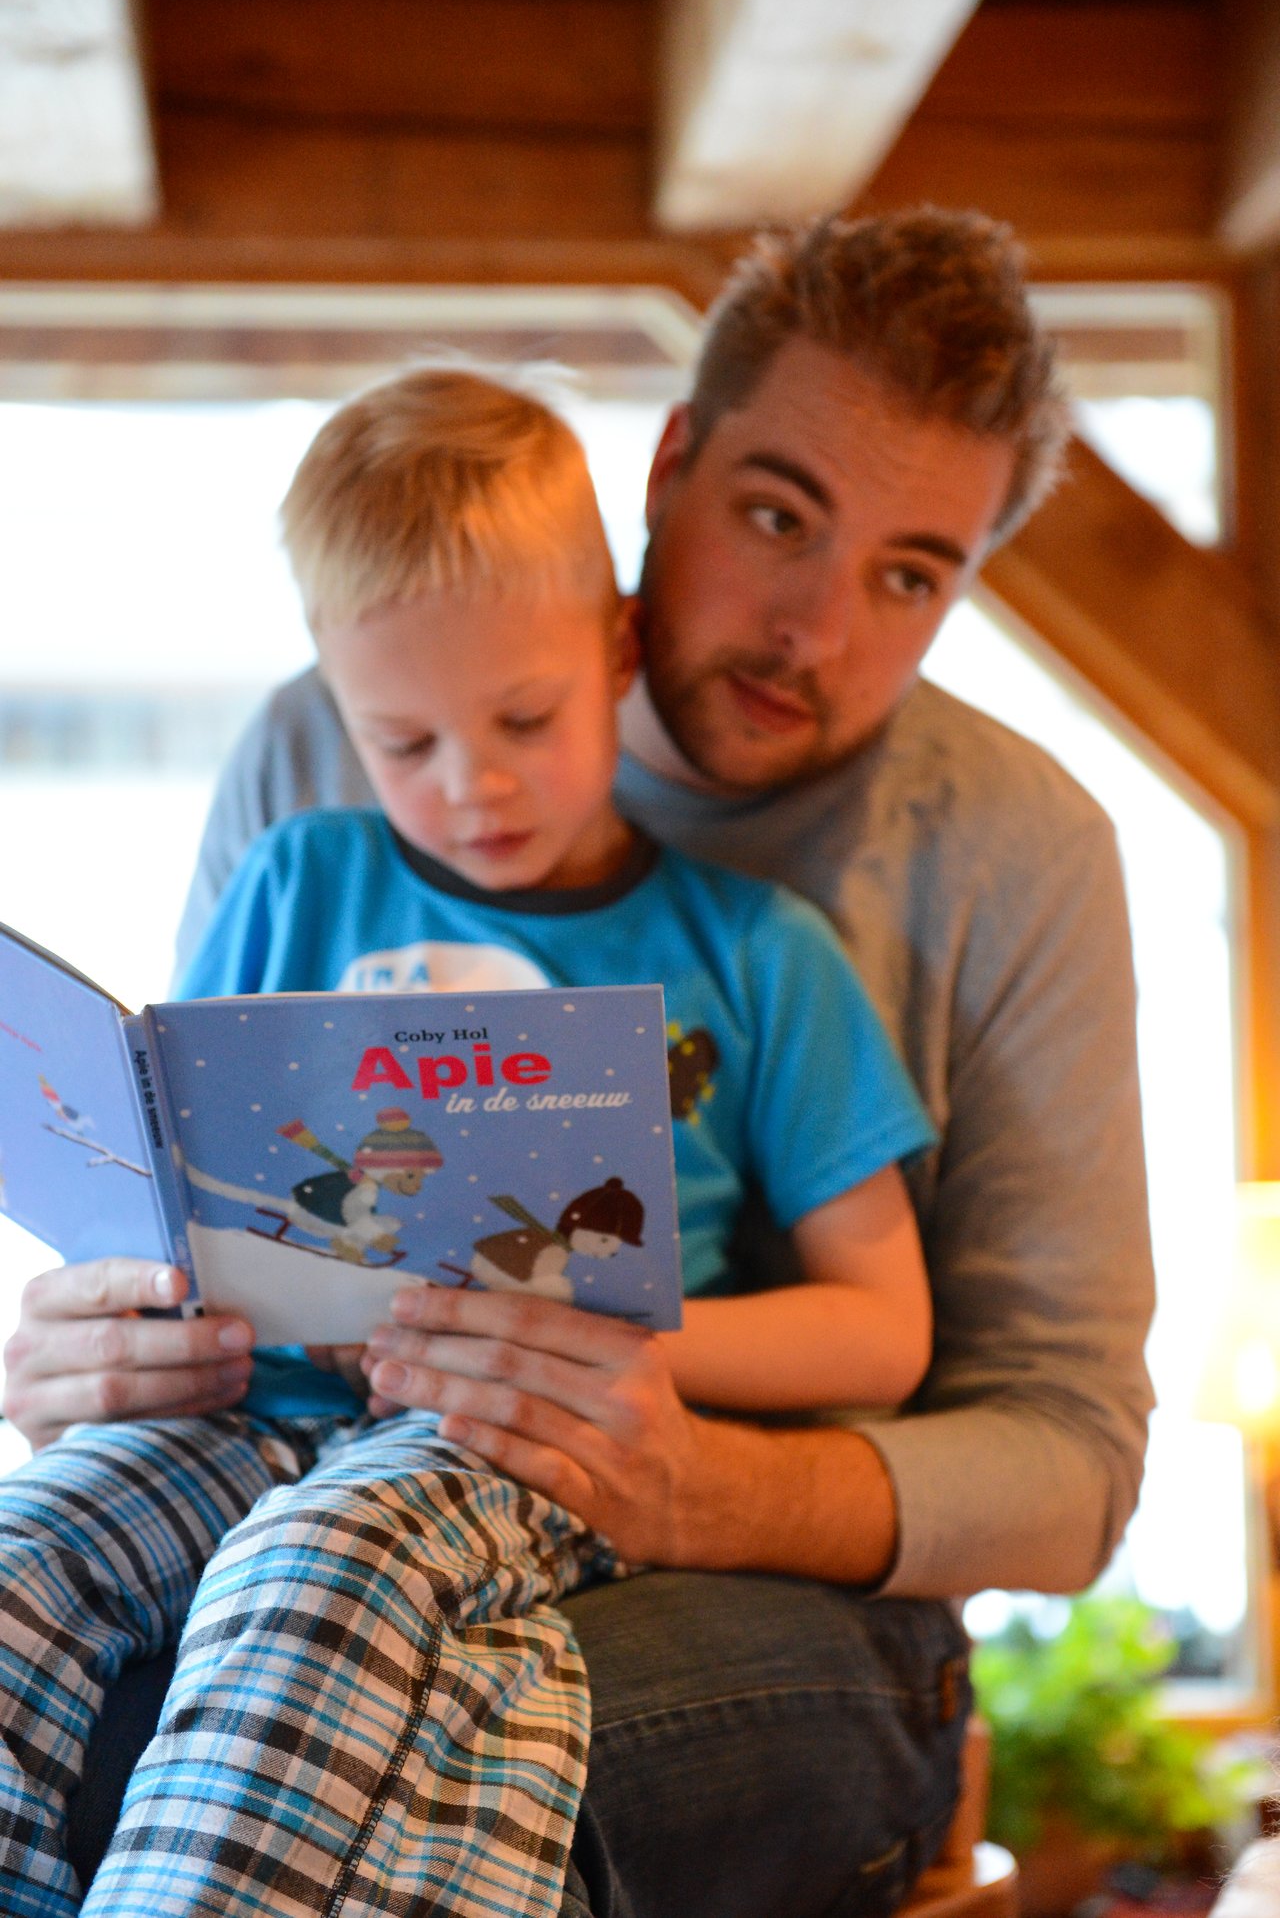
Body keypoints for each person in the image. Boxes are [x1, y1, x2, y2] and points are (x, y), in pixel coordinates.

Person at [3, 208, 1157, 1917]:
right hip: (305, 1456)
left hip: (783, 1587)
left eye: (911, 575)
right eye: (779, 516)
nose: (813, 630)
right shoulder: (318, 767)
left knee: (384, 1744)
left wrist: (699, 1472)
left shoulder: (983, 864)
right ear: (673, 465)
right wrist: (103, 1340)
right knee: (100, 1650)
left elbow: (1068, 1454)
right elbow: (201, 1187)